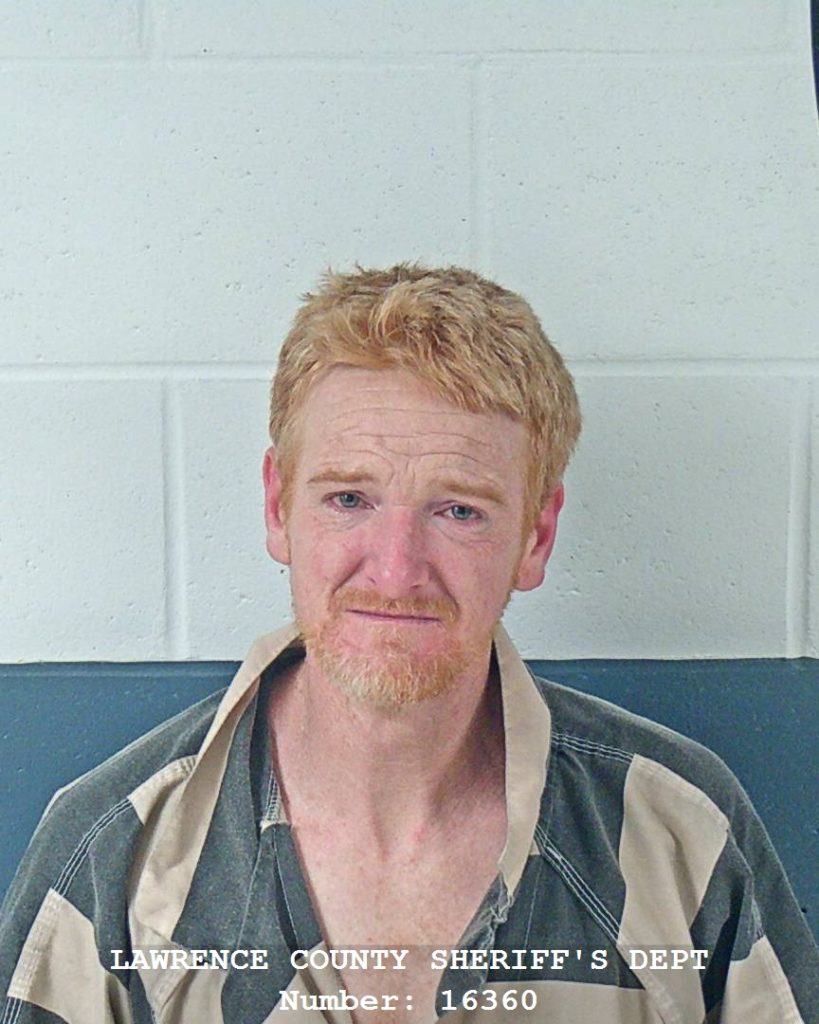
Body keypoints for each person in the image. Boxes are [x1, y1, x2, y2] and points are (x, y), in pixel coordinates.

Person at [1, 264, 816, 1024]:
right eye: (348, 499)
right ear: (279, 508)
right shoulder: (110, 853)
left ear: (535, 537)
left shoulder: (680, 835)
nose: (395, 574)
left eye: (459, 511)